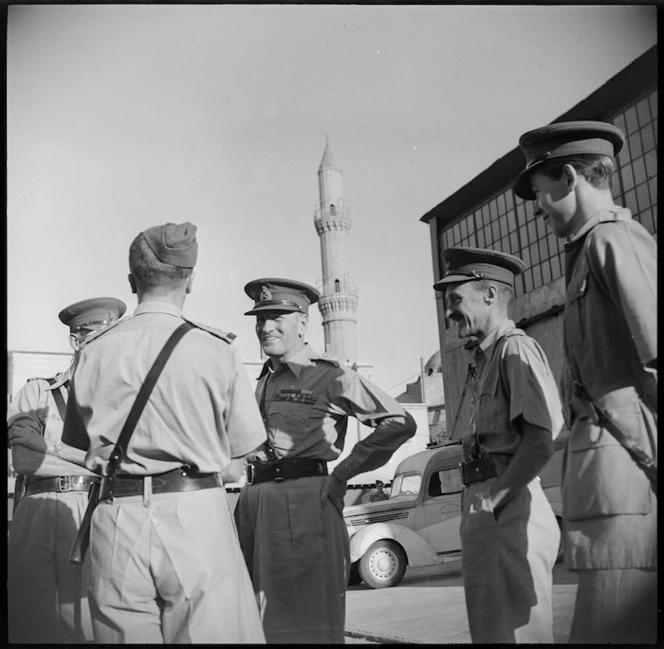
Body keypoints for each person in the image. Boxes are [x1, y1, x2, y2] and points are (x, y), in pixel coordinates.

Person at [62, 222, 267, 643]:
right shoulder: (216, 348)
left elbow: (79, 442)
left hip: (115, 517)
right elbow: (241, 454)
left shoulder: (94, 349)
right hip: (195, 514)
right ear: (190, 280)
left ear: (132, 281)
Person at [513, 120, 657, 644]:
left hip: (626, 472)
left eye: (540, 192)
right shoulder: (588, 250)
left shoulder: (611, 241)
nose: (538, 206)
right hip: (606, 476)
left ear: (569, 176)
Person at [235, 277, 417, 643]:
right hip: (256, 502)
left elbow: (400, 422)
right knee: (256, 621)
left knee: (310, 622)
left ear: (302, 322)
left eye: (276, 317)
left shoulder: (329, 376)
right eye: (259, 318)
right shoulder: (264, 379)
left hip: (304, 503)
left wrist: (344, 473)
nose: (265, 327)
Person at [434, 247, 564, 643]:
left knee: (518, 638)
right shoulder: (486, 359)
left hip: (508, 508)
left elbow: (541, 440)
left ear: (489, 294)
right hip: (489, 509)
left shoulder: (514, 350)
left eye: (456, 299)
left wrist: (493, 502)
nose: (449, 313)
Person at [7, 296, 126, 643]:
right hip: (39, 509)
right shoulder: (38, 391)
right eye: (97, 339)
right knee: (32, 615)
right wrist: (89, 459)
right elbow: (25, 461)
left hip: (95, 511)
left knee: (87, 619)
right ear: (76, 341)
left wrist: (50, 446)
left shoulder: (122, 402)